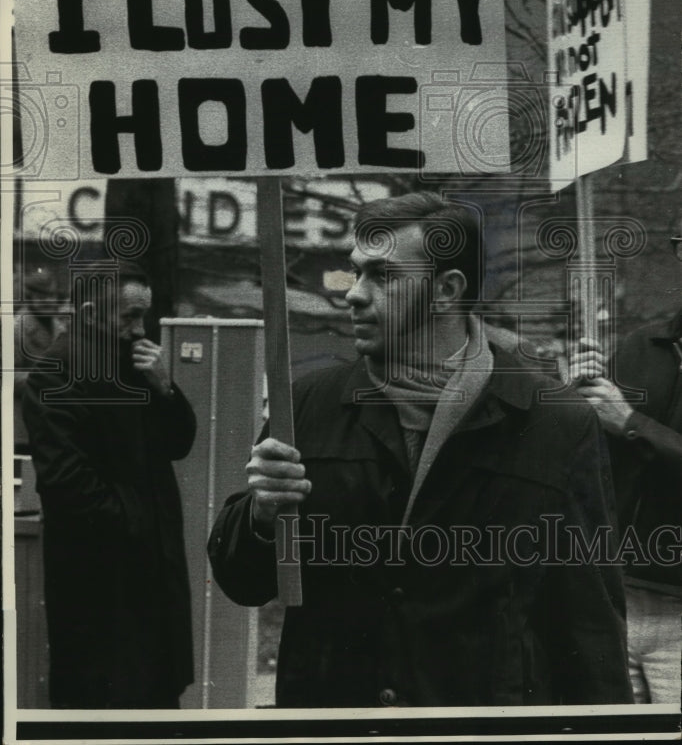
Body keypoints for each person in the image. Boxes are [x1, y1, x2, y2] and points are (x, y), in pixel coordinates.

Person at [208, 191, 633, 707]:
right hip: (335, 725)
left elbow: (588, 625)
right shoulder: (306, 405)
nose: (354, 294)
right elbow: (242, 583)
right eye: (356, 272)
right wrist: (260, 514)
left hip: (476, 731)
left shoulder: (554, 422)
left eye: (382, 276)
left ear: (447, 290)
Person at [23, 261, 196, 709]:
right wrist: (136, 522)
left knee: (153, 699)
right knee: (103, 701)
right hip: (102, 583)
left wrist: (166, 388)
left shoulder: (134, 363)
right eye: (129, 317)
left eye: (144, 316)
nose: (140, 330)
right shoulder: (57, 369)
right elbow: (64, 480)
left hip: (146, 573)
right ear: (89, 314)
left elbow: (179, 444)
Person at [569, 219, 682, 704]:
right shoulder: (642, 345)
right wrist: (577, 397)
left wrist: (630, 421)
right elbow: (589, 458)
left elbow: (625, 425)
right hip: (618, 600)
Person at [14, 267, 66, 450]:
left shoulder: (59, 326)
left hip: (53, 423)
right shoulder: (16, 329)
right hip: (23, 426)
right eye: (42, 296)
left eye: (52, 295)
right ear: (29, 297)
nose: (49, 301)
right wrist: (46, 378)